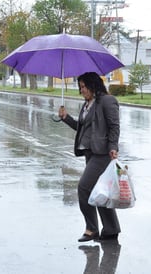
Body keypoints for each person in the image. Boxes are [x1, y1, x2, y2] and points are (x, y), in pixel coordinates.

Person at [58, 72, 121, 242]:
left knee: (84, 187)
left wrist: (113, 147)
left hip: (102, 154)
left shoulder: (107, 101)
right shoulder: (87, 104)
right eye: (80, 87)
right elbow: (83, 128)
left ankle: (91, 229)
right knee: (99, 191)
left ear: (94, 85)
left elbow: (114, 126)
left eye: (84, 87)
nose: (82, 90)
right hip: (90, 153)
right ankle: (111, 229)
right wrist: (66, 118)